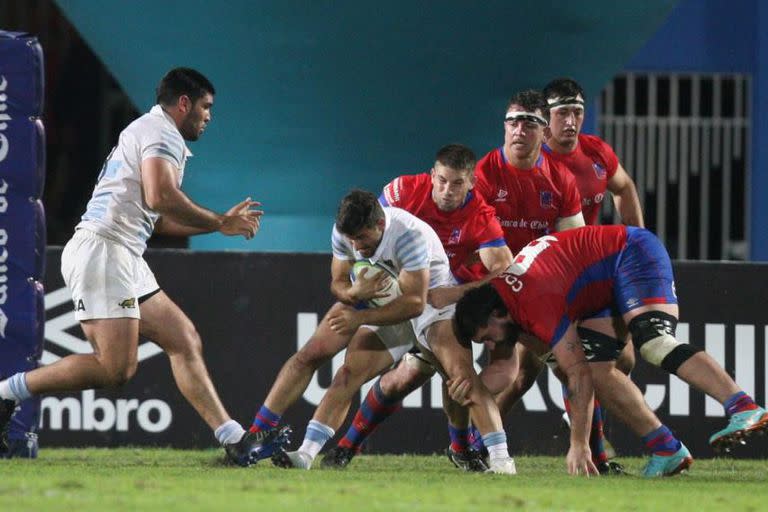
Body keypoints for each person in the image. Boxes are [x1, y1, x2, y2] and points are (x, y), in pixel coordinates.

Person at [0, 68, 285, 466]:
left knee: (183, 338)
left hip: (122, 254)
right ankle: (6, 392)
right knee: (115, 369)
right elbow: (161, 195)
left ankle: (234, 440)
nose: (209, 116)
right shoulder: (161, 132)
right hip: (105, 252)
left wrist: (220, 228)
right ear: (183, 103)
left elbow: (158, 217)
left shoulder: (152, 131)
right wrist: (220, 221)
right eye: (206, 107)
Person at [453, 225, 768, 475]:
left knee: (655, 343)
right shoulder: (510, 307)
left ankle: (742, 406)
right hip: (599, 287)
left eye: (487, 338)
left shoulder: (535, 304)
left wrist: (579, 445)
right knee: (597, 372)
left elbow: (574, 373)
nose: (491, 345)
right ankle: (666, 449)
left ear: (497, 315)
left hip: (631, 253)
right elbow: (569, 370)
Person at [256, 189, 515, 474]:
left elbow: (415, 303)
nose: (356, 246)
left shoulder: (408, 235)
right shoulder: (345, 232)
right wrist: (354, 292)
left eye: (362, 239)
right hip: (386, 305)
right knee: (347, 374)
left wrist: (360, 317)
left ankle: (501, 461)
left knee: (462, 379)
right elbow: (338, 282)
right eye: (351, 240)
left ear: (380, 226)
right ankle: (305, 454)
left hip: (432, 305)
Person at [320, 144, 512, 471]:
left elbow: (504, 272)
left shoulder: (481, 217)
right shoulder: (404, 190)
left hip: (443, 308)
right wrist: (358, 288)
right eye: (441, 181)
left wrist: (455, 293)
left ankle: (476, 452)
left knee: (461, 378)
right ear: (431, 175)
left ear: (471, 184)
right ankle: (346, 446)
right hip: (401, 300)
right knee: (397, 382)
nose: (446, 190)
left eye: (456, 183)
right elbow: (365, 236)